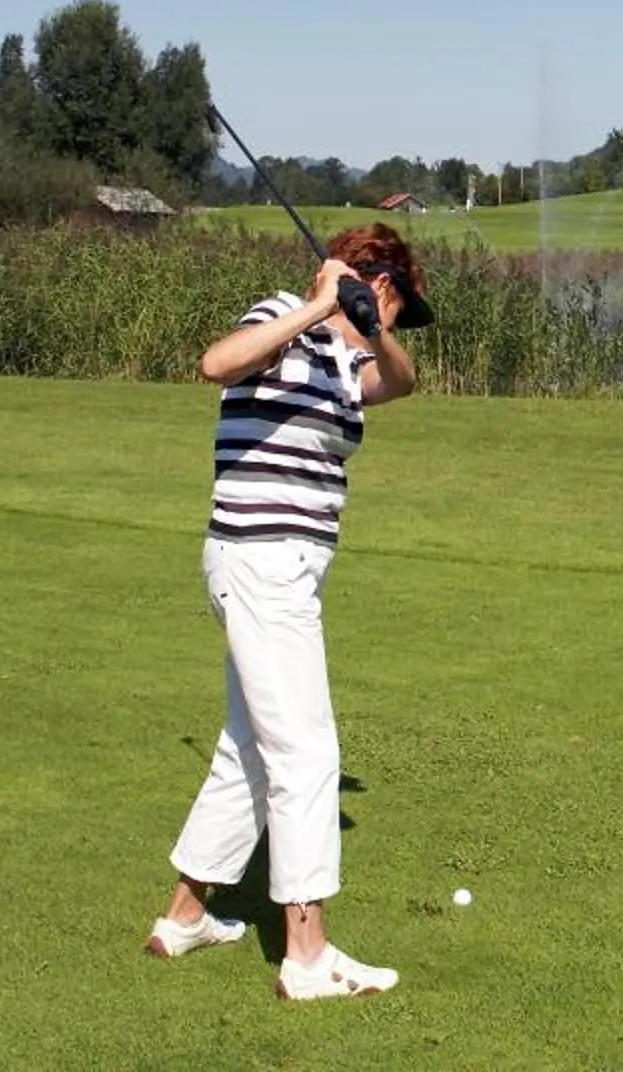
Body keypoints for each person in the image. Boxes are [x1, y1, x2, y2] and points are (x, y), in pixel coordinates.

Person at [146, 222, 425, 1001]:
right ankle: (307, 956)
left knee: (252, 749)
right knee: (305, 751)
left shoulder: (349, 361)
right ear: (380, 283)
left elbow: (403, 382)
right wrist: (317, 303)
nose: (398, 325)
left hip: (283, 571)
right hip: (260, 561)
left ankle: (184, 917)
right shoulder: (280, 318)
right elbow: (216, 364)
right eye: (399, 308)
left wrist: (367, 325)